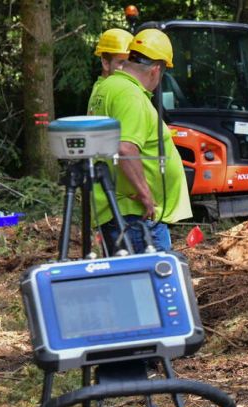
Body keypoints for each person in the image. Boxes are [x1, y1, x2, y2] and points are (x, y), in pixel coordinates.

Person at [87, 28, 192, 253]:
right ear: (155, 71)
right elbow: (125, 148)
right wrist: (146, 195)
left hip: (115, 209)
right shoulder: (130, 94)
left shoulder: (106, 87)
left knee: (126, 282)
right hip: (135, 214)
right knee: (155, 282)